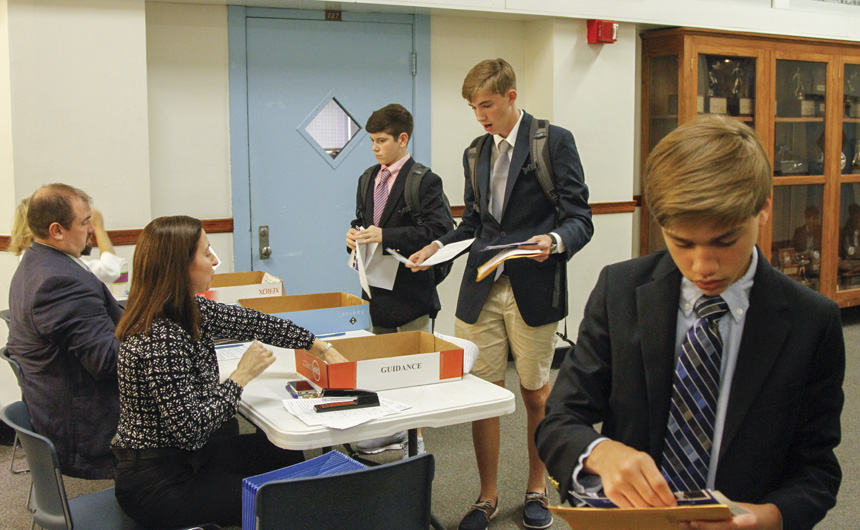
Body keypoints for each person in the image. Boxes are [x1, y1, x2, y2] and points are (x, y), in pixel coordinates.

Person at [536, 114, 844, 530]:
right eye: (681, 242)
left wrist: (768, 517)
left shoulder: (813, 321)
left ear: (764, 208)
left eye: (725, 241)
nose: (703, 266)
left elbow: (817, 471)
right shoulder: (621, 291)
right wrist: (600, 453)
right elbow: (559, 420)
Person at [409, 58, 593, 530]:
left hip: (534, 285)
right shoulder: (475, 152)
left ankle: (536, 487)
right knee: (484, 396)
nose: (480, 116)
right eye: (473, 107)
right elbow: (472, 224)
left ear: (511, 96)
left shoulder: (553, 141)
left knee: (535, 394)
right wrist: (438, 246)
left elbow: (580, 218)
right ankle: (486, 495)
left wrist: (554, 241)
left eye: (487, 105)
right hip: (482, 286)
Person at [111, 215, 349, 528]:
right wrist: (240, 376)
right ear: (180, 266)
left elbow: (254, 322)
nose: (214, 261)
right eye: (206, 253)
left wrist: (318, 346)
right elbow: (190, 429)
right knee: (284, 499)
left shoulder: (185, 308)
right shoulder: (160, 336)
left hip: (187, 457)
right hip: (158, 481)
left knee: (282, 453)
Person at [346, 103, 451, 454]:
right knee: (380, 366)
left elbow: (439, 231)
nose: (375, 148)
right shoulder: (367, 178)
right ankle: (390, 429)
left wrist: (386, 236)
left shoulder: (423, 180)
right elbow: (362, 221)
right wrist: (353, 235)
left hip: (412, 290)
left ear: (402, 139)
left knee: (412, 370)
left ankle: (414, 437)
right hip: (376, 288)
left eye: (382, 141)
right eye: (372, 141)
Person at [6, 183, 123, 479]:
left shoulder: (37, 262)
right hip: (88, 427)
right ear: (57, 230)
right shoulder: (59, 281)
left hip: (61, 406)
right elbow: (107, 361)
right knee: (204, 425)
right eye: (85, 223)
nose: (92, 230)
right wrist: (160, 342)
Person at [9, 196, 127, 285]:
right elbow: (109, 270)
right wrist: (99, 225)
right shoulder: (58, 267)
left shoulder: (28, 261)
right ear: (55, 230)